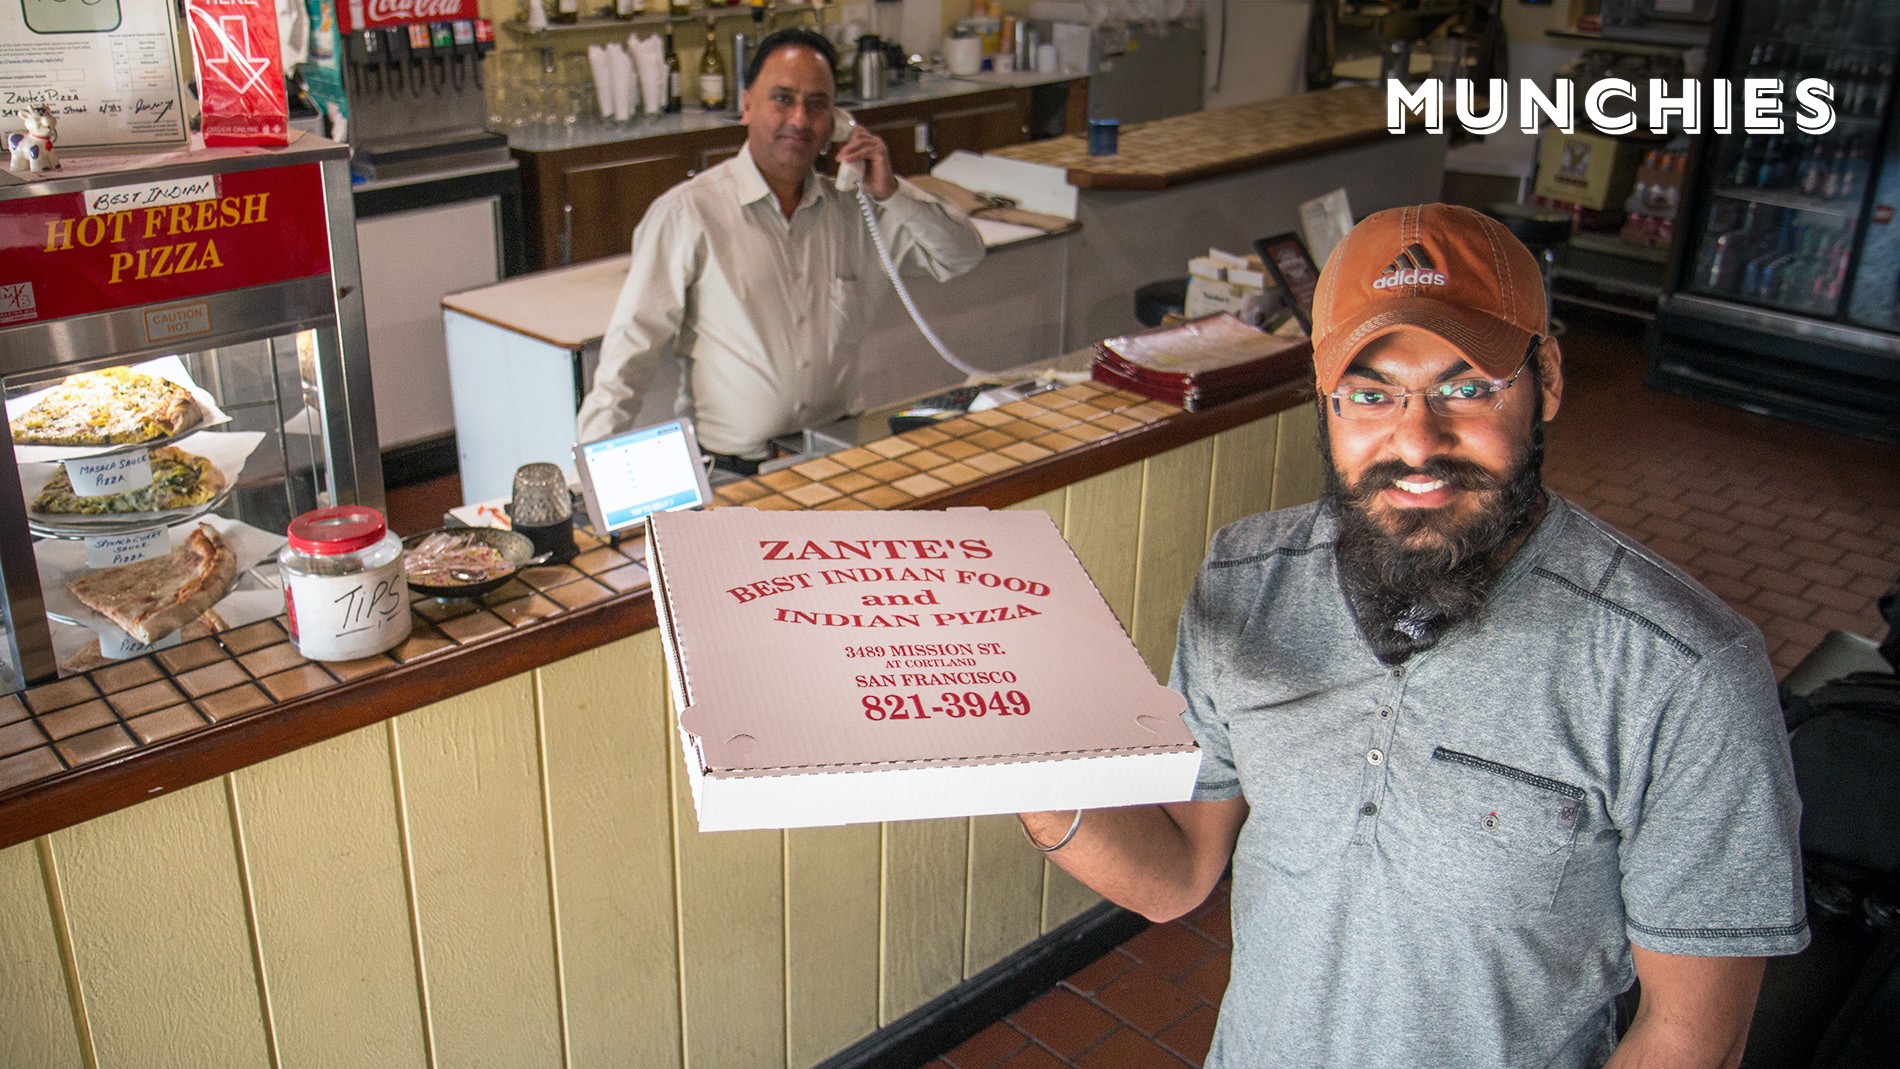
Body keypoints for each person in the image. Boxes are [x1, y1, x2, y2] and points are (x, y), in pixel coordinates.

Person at [1019, 204, 1807, 1069]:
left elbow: (1695, 1035)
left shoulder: (1682, 670)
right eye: (1370, 394)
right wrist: (1019, 761)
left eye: (1466, 386)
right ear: (1325, 402)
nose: (1417, 440)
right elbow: (1178, 874)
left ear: (1545, 377)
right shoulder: (1246, 578)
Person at [577, 27, 985, 473]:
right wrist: (597, 479)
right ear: (747, 105)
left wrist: (891, 191)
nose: (799, 119)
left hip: (840, 458)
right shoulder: (689, 214)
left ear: (836, 121)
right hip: (734, 473)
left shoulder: (858, 210)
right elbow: (628, 356)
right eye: (782, 99)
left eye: (817, 104)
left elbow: (962, 255)